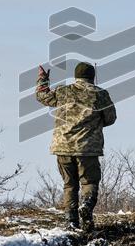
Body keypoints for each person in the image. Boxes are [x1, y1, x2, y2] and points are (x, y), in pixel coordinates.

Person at [36, 61, 116, 232]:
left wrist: (43, 80)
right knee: (90, 181)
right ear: (92, 77)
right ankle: (86, 206)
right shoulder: (100, 94)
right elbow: (111, 118)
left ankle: (71, 221)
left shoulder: (63, 92)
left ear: (76, 76)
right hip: (88, 148)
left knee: (69, 184)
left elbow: (42, 97)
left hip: (62, 146)